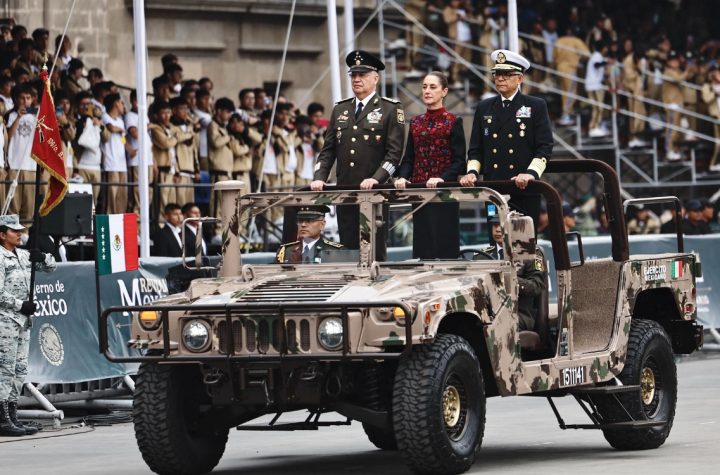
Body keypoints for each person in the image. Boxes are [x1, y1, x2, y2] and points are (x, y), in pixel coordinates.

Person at [311, 50, 405, 250]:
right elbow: (328, 150)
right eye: (353, 75)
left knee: (373, 249)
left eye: (362, 75)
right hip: (346, 191)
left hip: (374, 192)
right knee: (348, 247)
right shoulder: (340, 110)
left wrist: (377, 179)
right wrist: (320, 176)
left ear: (375, 78)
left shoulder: (390, 109)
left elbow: (394, 154)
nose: (357, 79)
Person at [460, 49, 554, 227]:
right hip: (494, 188)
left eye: (507, 74)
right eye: (497, 74)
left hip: (524, 188)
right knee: (495, 236)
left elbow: (544, 146)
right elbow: (475, 149)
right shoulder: (484, 107)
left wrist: (531, 174)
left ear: (520, 78)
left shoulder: (535, 105)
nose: (500, 78)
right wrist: (472, 172)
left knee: (525, 239)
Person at [394, 71, 466, 259]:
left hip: (444, 193)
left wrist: (442, 178)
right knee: (423, 247)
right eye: (424, 87)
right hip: (419, 192)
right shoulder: (416, 122)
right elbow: (409, 157)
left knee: (445, 247)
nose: (427, 91)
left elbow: (459, 162)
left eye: (432, 87)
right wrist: (403, 176)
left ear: (444, 91)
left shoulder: (453, 121)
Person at [0, 215, 56, 437]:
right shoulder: (0, 258)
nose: (20, 233)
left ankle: (12, 414)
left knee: (19, 369)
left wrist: (42, 255)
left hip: (23, 321)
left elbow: (51, 267)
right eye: (14, 231)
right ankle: (2, 415)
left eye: (20, 230)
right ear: (2, 235)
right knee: (4, 368)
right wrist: (19, 304)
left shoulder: (23, 256)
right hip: (5, 320)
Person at [483, 215, 546, 332]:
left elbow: (537, 287)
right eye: (495, 225)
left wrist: (508, 279)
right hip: (485, 312)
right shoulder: (481, 256)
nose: (497, 229)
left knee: (496, 327)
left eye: (502, 226)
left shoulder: (532, 254)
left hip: (517, 313)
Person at [275, 206, 343, 264]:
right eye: (300, 221)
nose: (303, 225)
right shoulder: (286, 250)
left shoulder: (336, 252)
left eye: (309, 221)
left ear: (322, 225)